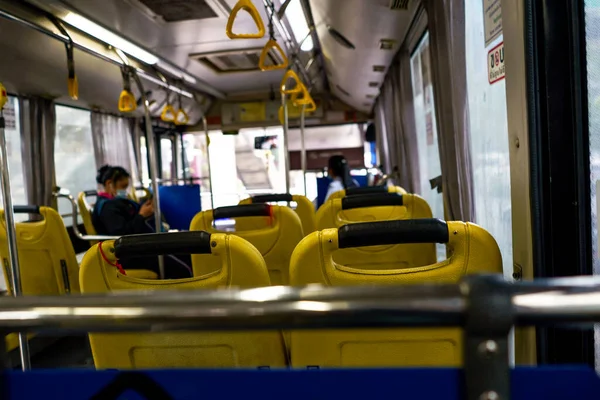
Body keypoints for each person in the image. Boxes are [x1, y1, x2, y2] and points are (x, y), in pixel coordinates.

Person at [93, 165, 192, 279]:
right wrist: (141, 215)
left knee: (186, 254)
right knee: (181, 268)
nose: (125, 191)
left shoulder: (118, 203)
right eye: (122, 187)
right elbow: (121, 234)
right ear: (109, 183)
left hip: (138, 246)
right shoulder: (107, 208)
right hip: (127, 255)